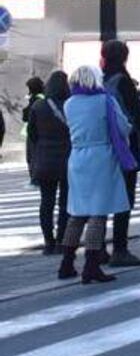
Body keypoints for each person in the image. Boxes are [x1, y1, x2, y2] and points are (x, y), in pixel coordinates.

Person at [59, 66, 135, 284]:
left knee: (77, 213)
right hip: (101, 156)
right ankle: (91, 265)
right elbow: (122, 127)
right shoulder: (105, 101)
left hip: (76, 157)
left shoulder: (69, 104)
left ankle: (66, 262)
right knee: (98, 213)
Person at [99, 40, 140, 267]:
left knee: (102, 198)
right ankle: (120, 248)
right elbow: (137, 115)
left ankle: (97, 247)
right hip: (126, 147)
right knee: (125, 198)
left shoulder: (101, 80)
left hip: (103, 147)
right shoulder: (123, 81)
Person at [28, 73, 72, 255]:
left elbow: (32, 133)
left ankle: (48, 241)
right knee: (65, 202)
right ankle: (62, 239)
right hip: (68, 158)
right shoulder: (71, 105)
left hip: (45, 159)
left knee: (46, 202)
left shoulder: (38, 105)